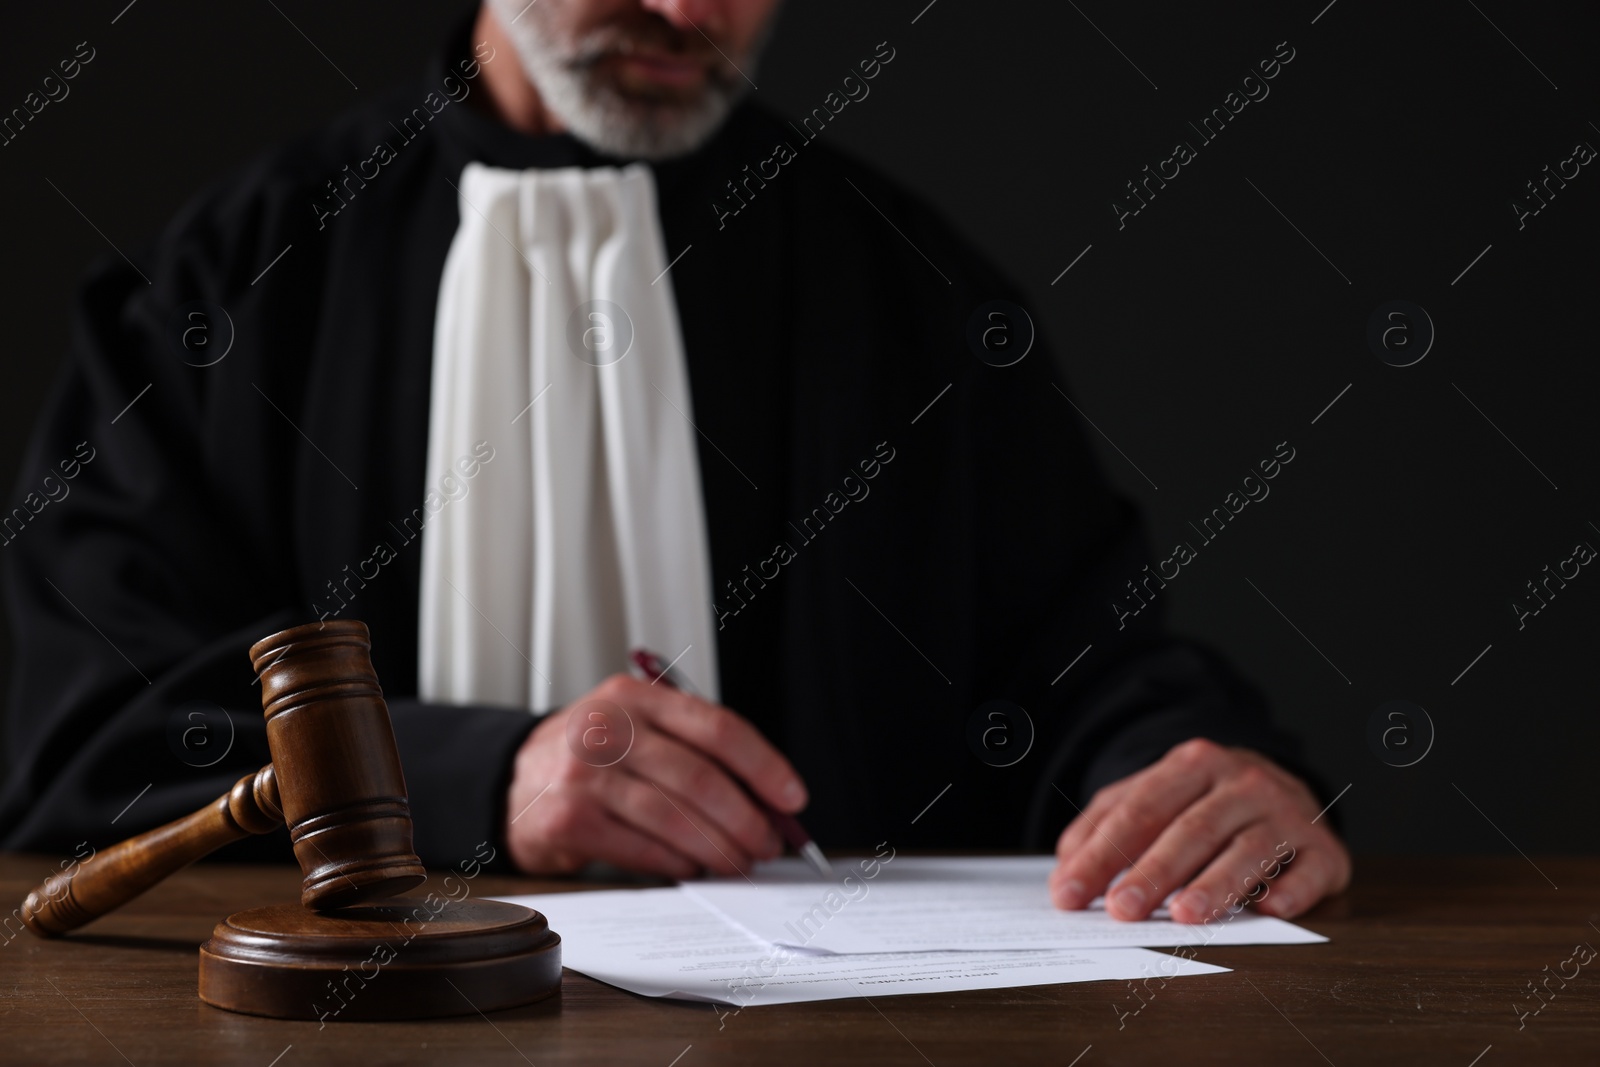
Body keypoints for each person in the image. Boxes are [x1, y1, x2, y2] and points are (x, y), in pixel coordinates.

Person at [0, 0, 1349, 924]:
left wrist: (1195, 772)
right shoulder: (223, 289)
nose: (694, 11)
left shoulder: (911, 293)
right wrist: (478, 779)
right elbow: (81, 742)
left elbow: (1077, 670)